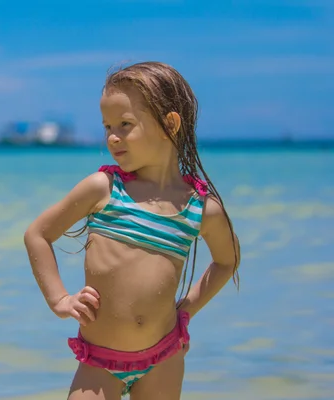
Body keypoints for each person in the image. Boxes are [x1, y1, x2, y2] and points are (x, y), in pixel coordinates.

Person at [23, 61, 240, 400]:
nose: (112, 136)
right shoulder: (104, 189)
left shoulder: (201, 209)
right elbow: (37, 234)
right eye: (107, 125)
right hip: (99, 362)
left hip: (165, 356)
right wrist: (60, 299)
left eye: (125, 124)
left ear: (170, 124)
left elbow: (227, 261)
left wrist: (187, 309)